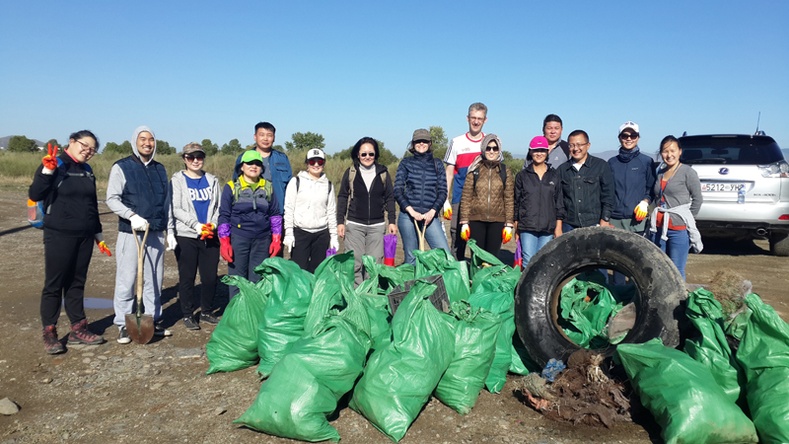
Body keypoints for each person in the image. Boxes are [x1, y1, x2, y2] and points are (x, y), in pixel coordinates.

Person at [29, 131, 110, 354]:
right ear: (72, 142)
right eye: (85, 146)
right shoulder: (56, 164)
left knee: (77, 282)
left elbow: (92, 205)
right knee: (54, 284)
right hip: (59, 234)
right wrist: (47, 171)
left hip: (84, 236)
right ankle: (50, 332)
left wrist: (99, 236)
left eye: (93, 149)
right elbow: (35, 193)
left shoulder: (87, 170)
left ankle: (78, 328)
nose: (88, 152)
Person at [107, 126, 171, 343]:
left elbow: (166, 203)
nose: (147, 143)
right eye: (143, 139)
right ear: (135, 141)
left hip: (155, 232)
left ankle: (152, 320)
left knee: (154, 279)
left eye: (151, 139)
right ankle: (123, 324)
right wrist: (131, 215)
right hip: (131, 232)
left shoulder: (160, 169)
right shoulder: (122, 167)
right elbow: (112, 198)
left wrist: (169, 231)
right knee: (127, 279)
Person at [168, 143, 221, 330]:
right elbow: (176, 208)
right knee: (187, 277)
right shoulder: (177, 180)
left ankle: (206, 311)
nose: (196, 161)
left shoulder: (212, 180)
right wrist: (195, 225)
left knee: (209, 277)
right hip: (186, 235)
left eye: (199, 157)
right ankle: (188, 314)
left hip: (209, 234)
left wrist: (212, 224)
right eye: (191, 157)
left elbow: (218, 207)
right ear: (184, 159)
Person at [218, 150, 282, 297]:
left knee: (258, 278)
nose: (254, 166)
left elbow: (275, 214)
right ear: (242, 166)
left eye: (258, 164)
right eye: (250, 163)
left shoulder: (268, 187)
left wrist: (276, 238)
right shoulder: (231, 187)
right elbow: (224, 215)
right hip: (239, 238)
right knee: (237, 280)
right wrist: (225, 241)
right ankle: (236, 315)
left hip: (262, 239)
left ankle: (254, 314)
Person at [336, 137, 397, 285]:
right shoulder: (351, 172)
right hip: (354, 224)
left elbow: (389, 197)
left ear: (376, 155)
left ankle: (370, 297)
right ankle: (356, 298)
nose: (367, 157)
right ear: (358, 154)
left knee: (374, 266)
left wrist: (392, 221)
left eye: (371, 154)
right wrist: (340, 222)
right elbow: (343, 197)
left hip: (377, 226)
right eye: (364, 154)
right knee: (355, 265)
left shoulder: (383, 173)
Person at [649, 135, 703, 279]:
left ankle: (679, 301)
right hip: (659, 228)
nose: (669, 155)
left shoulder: (688, 172)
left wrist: (686, 219)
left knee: (676, 269)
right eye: (665, 151)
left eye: (673, 150)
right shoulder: (660, 173)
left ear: (680, 151)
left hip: (678, 230)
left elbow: (698, 199)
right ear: (661, 154)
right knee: (659, 266)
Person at [394, 129, 450, 265]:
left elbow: (443, 191)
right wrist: (411, 211)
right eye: (418, 141)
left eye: (424, 141)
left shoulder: (437, 164)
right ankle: (411, 285)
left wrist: (433, 211)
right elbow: (397, 190)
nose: (421, 144)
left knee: (445, 256)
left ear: (430, 143)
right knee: (411, 259)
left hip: (430, 217)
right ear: (413, 144)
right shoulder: (406, 163)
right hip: (408, 217)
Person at [458, 134, 514, 258]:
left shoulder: (505, 171)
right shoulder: (474, 169)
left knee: (492, 258)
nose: (491, 151)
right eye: (488, 148)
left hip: (497, 221)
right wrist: (465, 222)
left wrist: (509, 223)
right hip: (476, 220)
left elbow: (509, 199)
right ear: (483, 149)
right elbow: (466, 197)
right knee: (477, 258)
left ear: (499, 150)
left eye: (495, 148)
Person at [283, 148, 338, 273]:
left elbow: (331, 211)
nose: (316, 165)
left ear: (324, 164)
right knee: (299, 271)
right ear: (307, 164)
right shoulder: (296, 182)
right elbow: (289, 208)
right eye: (312, 162)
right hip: (301, 233)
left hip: (321, 234)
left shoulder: (328, 185)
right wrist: (289, 233)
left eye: (320, 161)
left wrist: (333, 236)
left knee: (317, 271)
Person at [444, 102, 487, 260]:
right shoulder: (456, 142)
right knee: (457, 240)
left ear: (485, 120)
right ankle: (457, 275)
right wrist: (445, 200)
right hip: (459, 199)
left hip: (482, 202)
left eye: (480, 119)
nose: (476, 121)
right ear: (467, 118)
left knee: (479, 242)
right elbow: (448, 173)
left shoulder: (490, 143)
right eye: (473, 118)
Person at [514, 136, 565, 266]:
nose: (539, 153)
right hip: (527, 226)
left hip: (547, 227)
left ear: (547, 152)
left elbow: (559, 203)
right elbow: (517, 202)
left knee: (543, 262)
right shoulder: (522, 176)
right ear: (530, 152)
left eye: (542, 150)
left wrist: (558, 228)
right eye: (535, 150)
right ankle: (527, 287)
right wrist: (516, 228)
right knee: (528, 261)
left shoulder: (554, 175)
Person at [557, 129, 615, 231]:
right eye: (571, 145)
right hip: (569, 224)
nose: (576, 149)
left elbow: (608, 195)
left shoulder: (601, 166)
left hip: (594, 223)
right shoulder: (562, 170)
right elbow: (558, 201)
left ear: (588, 145)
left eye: (580, 145)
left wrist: (605, 219)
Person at [233, 122, 292, 216]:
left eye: (269, 135)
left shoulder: (282, 158)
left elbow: (290, 187)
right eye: (262, 135)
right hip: (251, 213)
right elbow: (235, 184)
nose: (265, 138)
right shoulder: (243, 158)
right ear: (255, 137)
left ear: (274, 138)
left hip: (278, 213)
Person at [608, 121, 656, 233]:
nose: (629, 139)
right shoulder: (611, 163)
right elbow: (606, 191)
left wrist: (645, 202)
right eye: (625, 136)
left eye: (633, 135)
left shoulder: (646, 161)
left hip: (637, 220)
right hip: (614, 220)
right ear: (619, 138)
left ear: (638, 137)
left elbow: (651, 188)